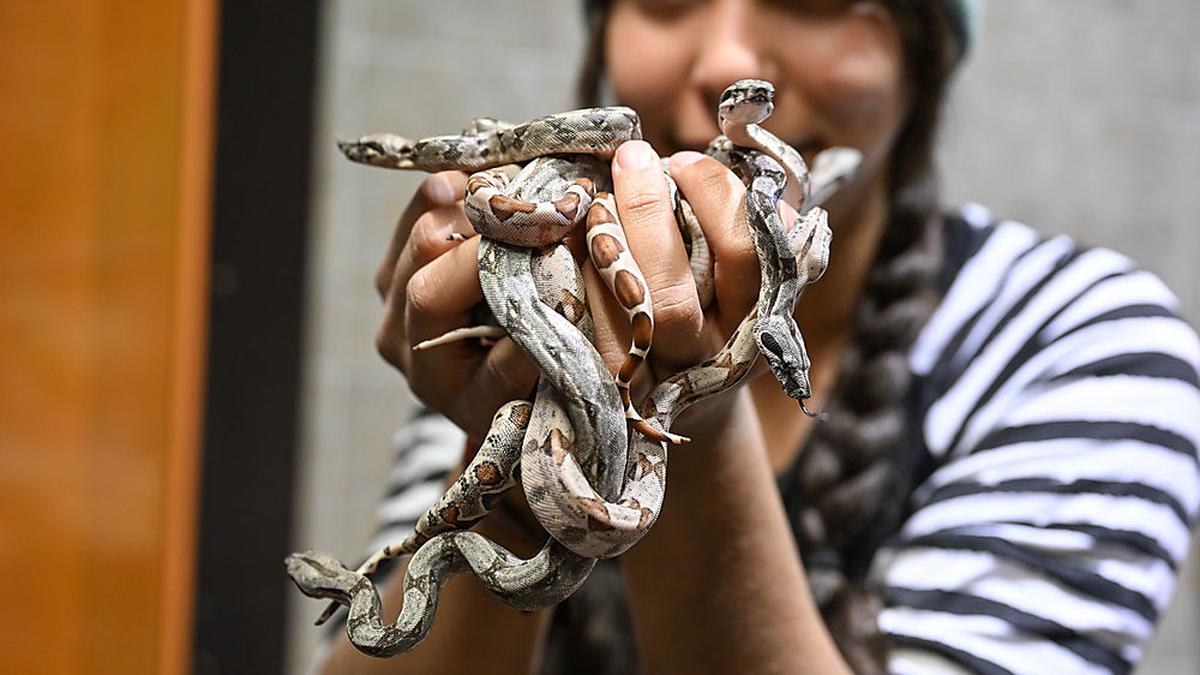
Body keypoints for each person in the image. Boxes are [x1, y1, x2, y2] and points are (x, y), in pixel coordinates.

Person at [315, 1, 1200, 673]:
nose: (727, 59)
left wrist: (686, 390)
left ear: (920, 57)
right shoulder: (514, 308)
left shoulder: (1078, 344)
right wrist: (516, 435)